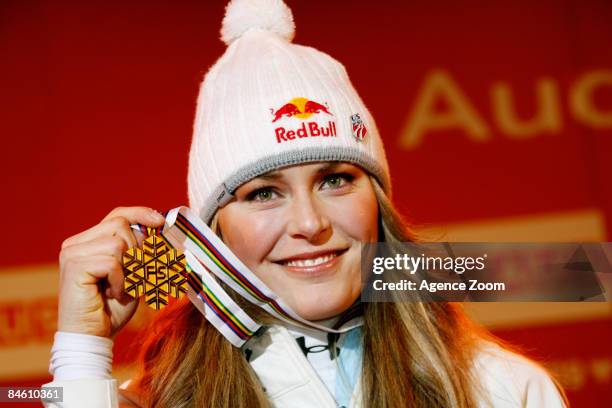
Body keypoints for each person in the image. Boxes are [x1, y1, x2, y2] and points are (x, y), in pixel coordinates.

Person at [43, 0, 568, 407]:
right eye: (264, 193)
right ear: (211, 234)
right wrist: (81, 353)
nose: (311, 223)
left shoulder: (504, 390)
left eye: (336, 180)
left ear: (377, 202)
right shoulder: (155, 400)